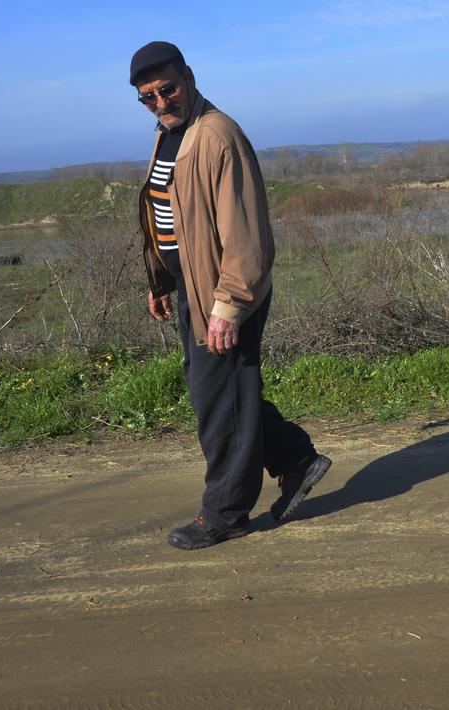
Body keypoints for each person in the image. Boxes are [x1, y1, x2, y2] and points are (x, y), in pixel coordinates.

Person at [129, 41, 332, 550]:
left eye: (167, 90)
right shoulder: (170, 135)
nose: (160, 102)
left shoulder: (218, 135)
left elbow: (246, 236)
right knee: (224, 395)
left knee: (218, 402)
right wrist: (160, 281)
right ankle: (294, 458)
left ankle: (226, 512)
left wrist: (229, 308)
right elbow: (168, 217)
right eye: (147, 97)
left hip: (224, 296)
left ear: (189, 78)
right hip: (191, 290)